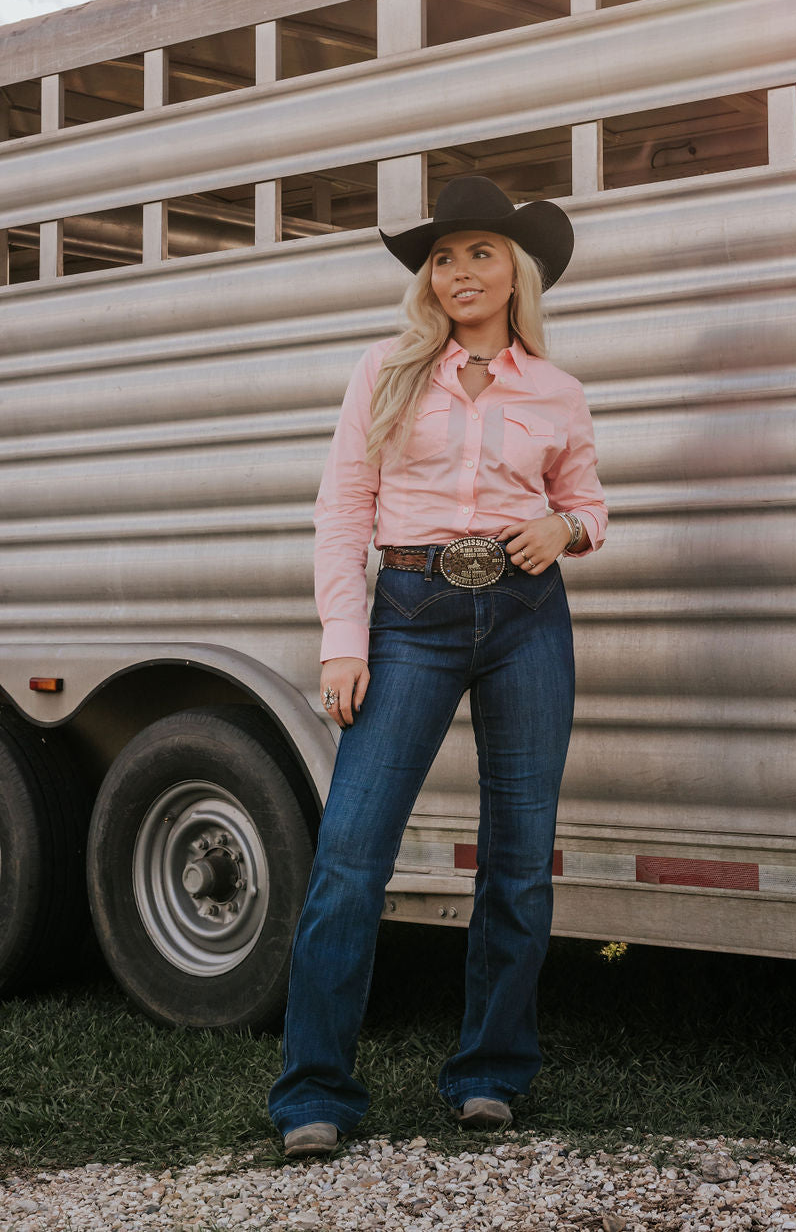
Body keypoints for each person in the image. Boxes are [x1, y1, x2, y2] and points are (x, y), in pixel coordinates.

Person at [268, 174, 607, 1157]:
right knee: (350, 855)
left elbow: (588, 501)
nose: (461, 271)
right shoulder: (385, 370)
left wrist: (564, 525)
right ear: (431, 275)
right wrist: (344, 638)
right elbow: (342, 508)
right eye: (445, 255)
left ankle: (490, 1075)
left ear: (516, 271)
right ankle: (313, 1092)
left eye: (481, 253)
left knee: (517, 860)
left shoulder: (557, 388)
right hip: (408, 614)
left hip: (526, 615)